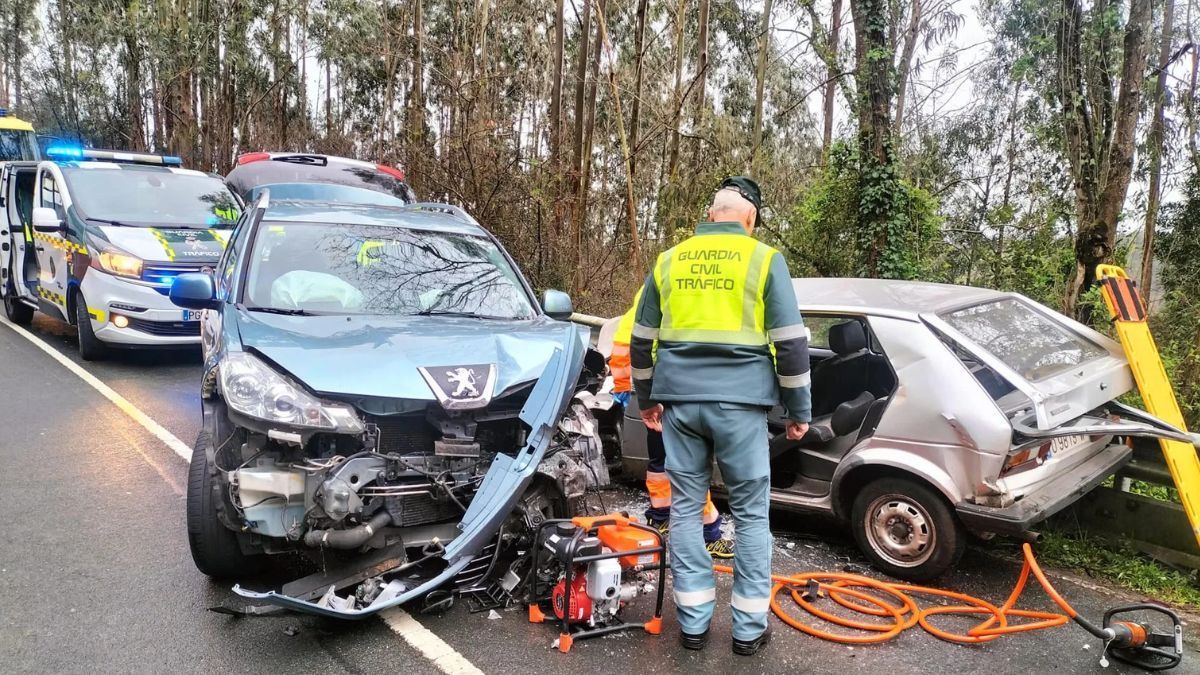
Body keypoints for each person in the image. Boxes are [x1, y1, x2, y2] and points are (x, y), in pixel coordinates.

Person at [629, 177, 811, 656]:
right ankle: (748, 631)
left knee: (686, 508)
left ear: (710, 216)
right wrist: (799, 410)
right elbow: (791, 342)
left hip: (681, 406)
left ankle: (693, 624)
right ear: (749, 220)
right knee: (751, 515)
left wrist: (646, 400)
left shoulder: (669, 260)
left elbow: (642, 338)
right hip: (741, 408)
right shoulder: (765, 259)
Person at [609, 290, 735, 559]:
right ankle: (708, 534)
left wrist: (622, 385)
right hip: (680, 389)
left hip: (652, 390)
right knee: (690, 463)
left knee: (661, 459)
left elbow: (622, 343)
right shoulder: (698, 295)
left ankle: (660, 516)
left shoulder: (650, 293)